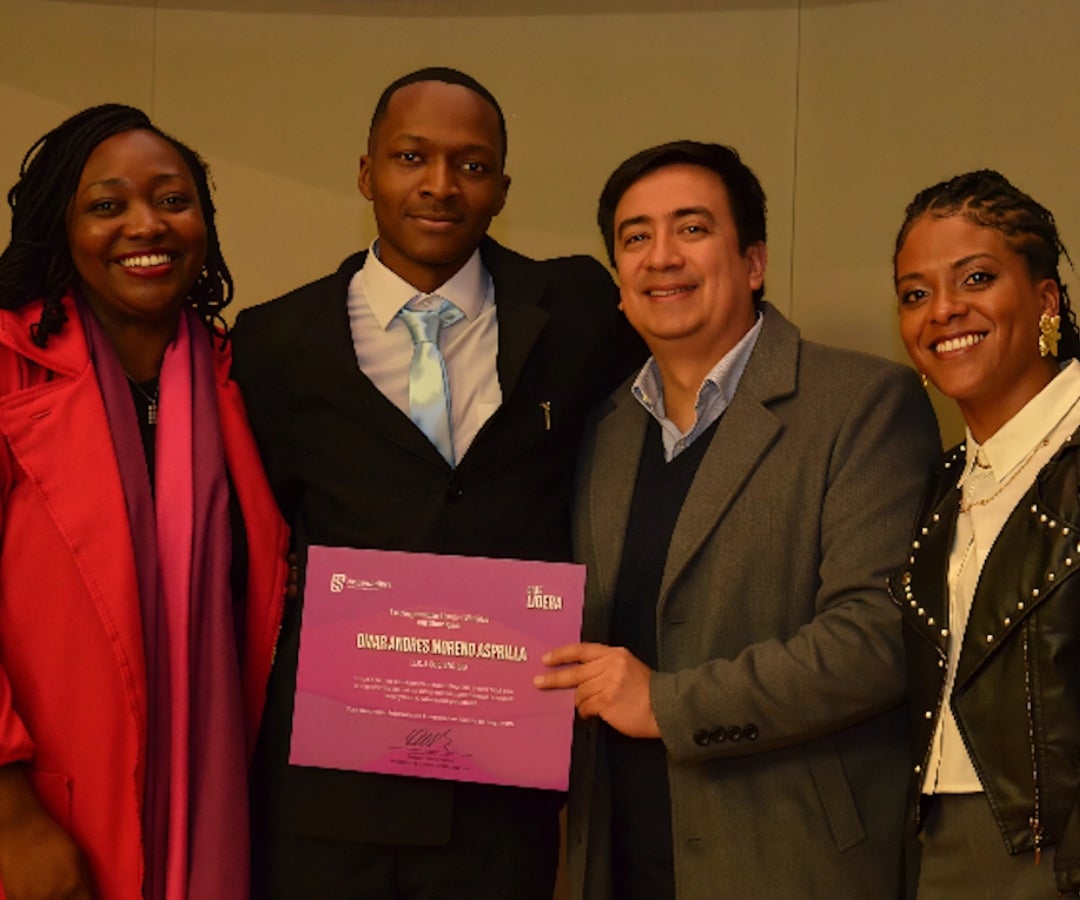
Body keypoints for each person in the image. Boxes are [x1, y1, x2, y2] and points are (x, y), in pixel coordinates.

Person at [230, 67, 641, 899]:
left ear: (501, 188)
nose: (439, 186)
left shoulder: (579, 311)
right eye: (411, 156)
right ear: (365, 171)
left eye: (472, 165)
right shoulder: (273, 342)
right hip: (328, 785)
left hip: (501, 783)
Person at [535, 140, 941, 899]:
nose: (661, 257)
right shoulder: (604, 429)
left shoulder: (861, 404)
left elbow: (877, 637)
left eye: (691, 229)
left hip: (790, 862)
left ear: (753, 262)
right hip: (620, 863)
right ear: (619, 281)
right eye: (635, 237)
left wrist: (665, 703)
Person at [0, 104, 288, 900]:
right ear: (60, 226)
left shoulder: (244, 379)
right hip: (43, 813)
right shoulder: (6, 369)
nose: (145, 224)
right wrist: (9, 820)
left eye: (172, 198)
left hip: (213, 803)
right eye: (107, 204)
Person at [890, 170, 1080, 899]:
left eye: (975, 277)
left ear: (1044, 300)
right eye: (915, 293)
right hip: (945, 844)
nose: (944, 310)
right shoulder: (946, 485)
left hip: (1056, 858)